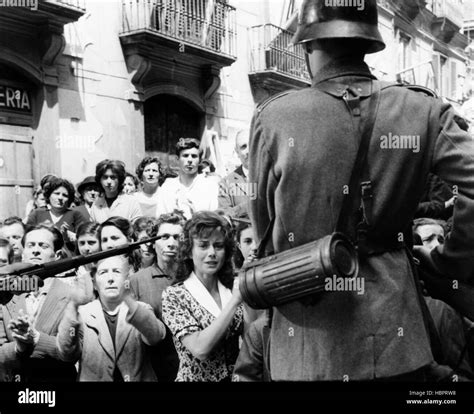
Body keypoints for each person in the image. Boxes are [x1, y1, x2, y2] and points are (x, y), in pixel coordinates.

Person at [248, 0, 474, 381]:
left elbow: (265, 235)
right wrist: (451, 262)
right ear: (370, 43)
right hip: (398, 345)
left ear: (307, 46)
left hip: (308, 349)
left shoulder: (274, 117)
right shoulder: (422, 109)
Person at [162, 211, 243, 382]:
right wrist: (235, 301)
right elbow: (200, 349)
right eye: (203, 245)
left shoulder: (232, 289)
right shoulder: (175, 295)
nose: (212, 252)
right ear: (189, 252)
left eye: (218, 245)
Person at [57, 255, 166, 381]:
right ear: (94, 283)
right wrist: (73, 305)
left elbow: (155, 337)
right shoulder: (82, 314)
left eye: (117, 272)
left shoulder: (142, 309)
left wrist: (128, 299)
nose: (110, 279)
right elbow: (67, 354)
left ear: (126, 280)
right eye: (103, 273)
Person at [0, 224, 77, 382]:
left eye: (43, 245)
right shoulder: (6, 296)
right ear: (23, 253)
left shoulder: (71, 297)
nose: (35, 250)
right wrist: (19, 347)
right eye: (30, 245)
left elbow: (73, 351)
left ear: (56, 255)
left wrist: (35, 338)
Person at [130, 211, 185, 381]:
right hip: (154, 369)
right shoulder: (137, 280)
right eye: (165, 237)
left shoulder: (195, 277)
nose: (171, 243)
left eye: (177, 237)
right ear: (153, 243)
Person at [157, 138, 218, 220]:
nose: (189, 160)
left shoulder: (209, 186)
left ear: (200, 160)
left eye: (194, 156)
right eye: (185, 156)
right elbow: (161, 217)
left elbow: (214, 218)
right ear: (177, 159)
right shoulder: (168, 186)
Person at [26, 177, 88, 252]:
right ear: (49, 196)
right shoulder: (37, 214)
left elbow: (85, 239)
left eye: (65, 195)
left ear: (69, 199)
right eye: (56, 193)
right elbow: (27, 237)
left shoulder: (76, 215)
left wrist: (68, 237)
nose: (60, 198)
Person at [90, 159, 141, 223]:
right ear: (100, 180)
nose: (109, 182)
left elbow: (138, 229)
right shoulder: (96, 204)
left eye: (113, 177)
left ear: (119, 180)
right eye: (105, 177)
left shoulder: (131, 202)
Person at [218, 129, 252, 217]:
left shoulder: (272, 176)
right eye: (243, 147)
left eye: (252, 144)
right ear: (237, 152)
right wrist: (251, 205)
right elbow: (224, 215)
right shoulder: (226, 183)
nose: (249, 151)